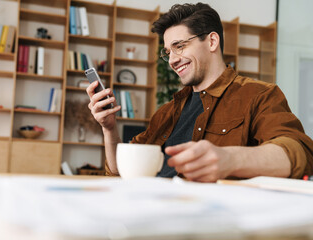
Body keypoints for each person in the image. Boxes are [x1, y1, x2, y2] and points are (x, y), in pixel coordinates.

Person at [86, 2, 313, 182]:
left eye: (180, 46)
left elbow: (299, 153)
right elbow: (120, 169)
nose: (172, 60)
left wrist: (230, 159)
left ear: (212, 41)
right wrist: (109, 128)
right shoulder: (166, 112)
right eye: (168, 52)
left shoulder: (258, 95)